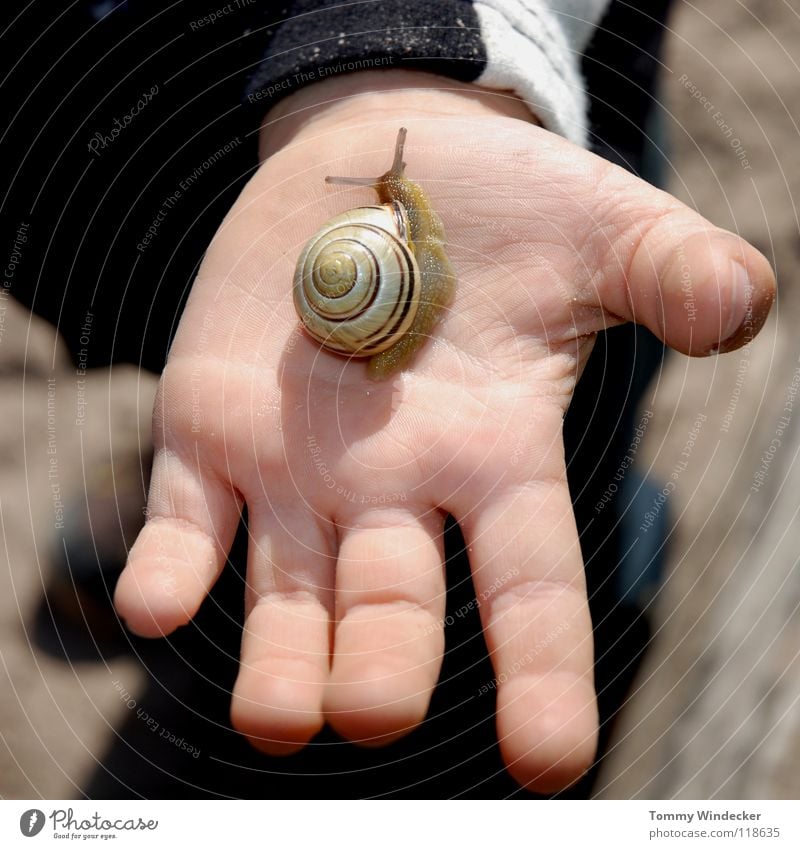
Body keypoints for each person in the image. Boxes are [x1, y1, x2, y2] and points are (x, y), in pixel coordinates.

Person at [5, 1, 774, 797]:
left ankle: (597, 545)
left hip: (512, 81)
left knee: (506, 488)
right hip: (104, 152)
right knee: (210, 379)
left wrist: (405, 59)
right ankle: (201, 485)